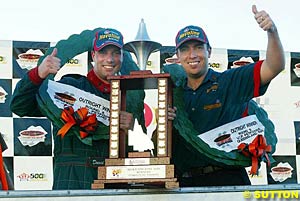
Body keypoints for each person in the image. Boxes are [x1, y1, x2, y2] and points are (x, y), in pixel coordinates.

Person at [10, 28, 144, 189]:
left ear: (122, 57)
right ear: (93, 56)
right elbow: (19, 106)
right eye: (103, 53)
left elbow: (144, 151)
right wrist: (38, 74)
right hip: (70, 184)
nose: (110, 59)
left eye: (116, 53)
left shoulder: (128, 99)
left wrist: (133, 129)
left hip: (114, 186)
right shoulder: (69, 87)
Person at [166, 5, 285, 186]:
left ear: (209, 51)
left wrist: (272, 32)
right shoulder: (173, 94)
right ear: (178, 55)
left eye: (198, 47)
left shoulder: (229, 81)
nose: (192, 55)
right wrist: (167, 123)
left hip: (227, 178)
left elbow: (274, 66)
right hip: (185, 183)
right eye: (185, 49)